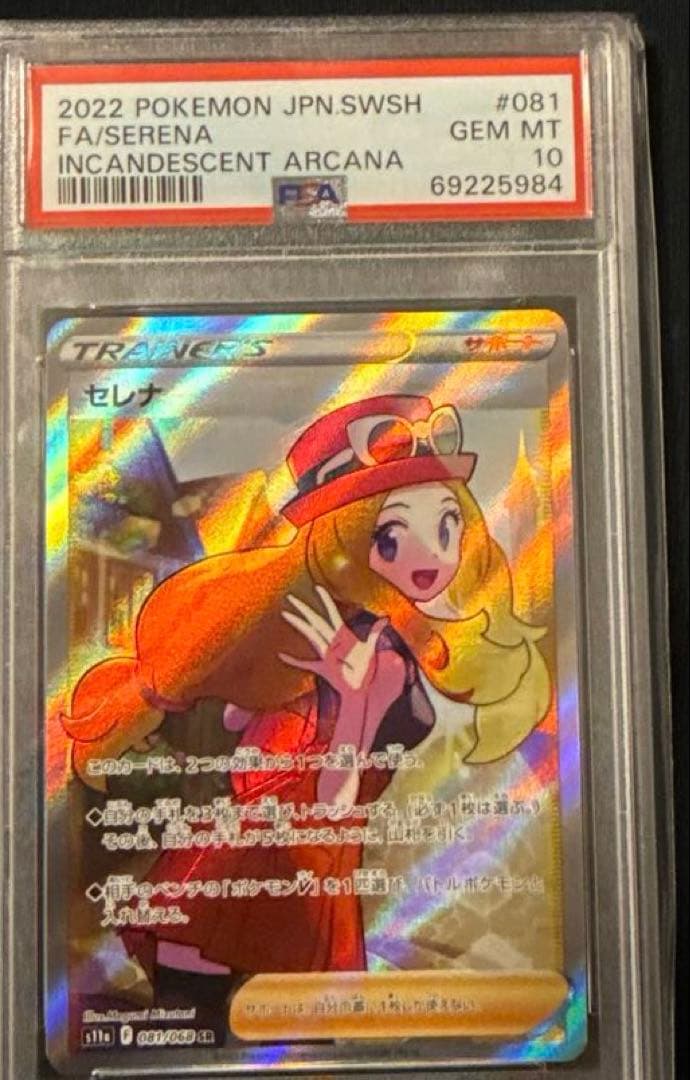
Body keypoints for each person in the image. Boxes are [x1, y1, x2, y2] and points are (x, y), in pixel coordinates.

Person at [62, 394, 550, 1034]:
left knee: (270, 1019)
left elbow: (335, 799)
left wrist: (350, 696)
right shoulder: (307, 640)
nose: (432, 555)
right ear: (341, 535)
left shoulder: (384, 660)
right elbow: (250, 744)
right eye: (392, 535)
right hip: (251, 859)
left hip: (306, 868)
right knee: (198, 1005)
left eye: (448, 526)